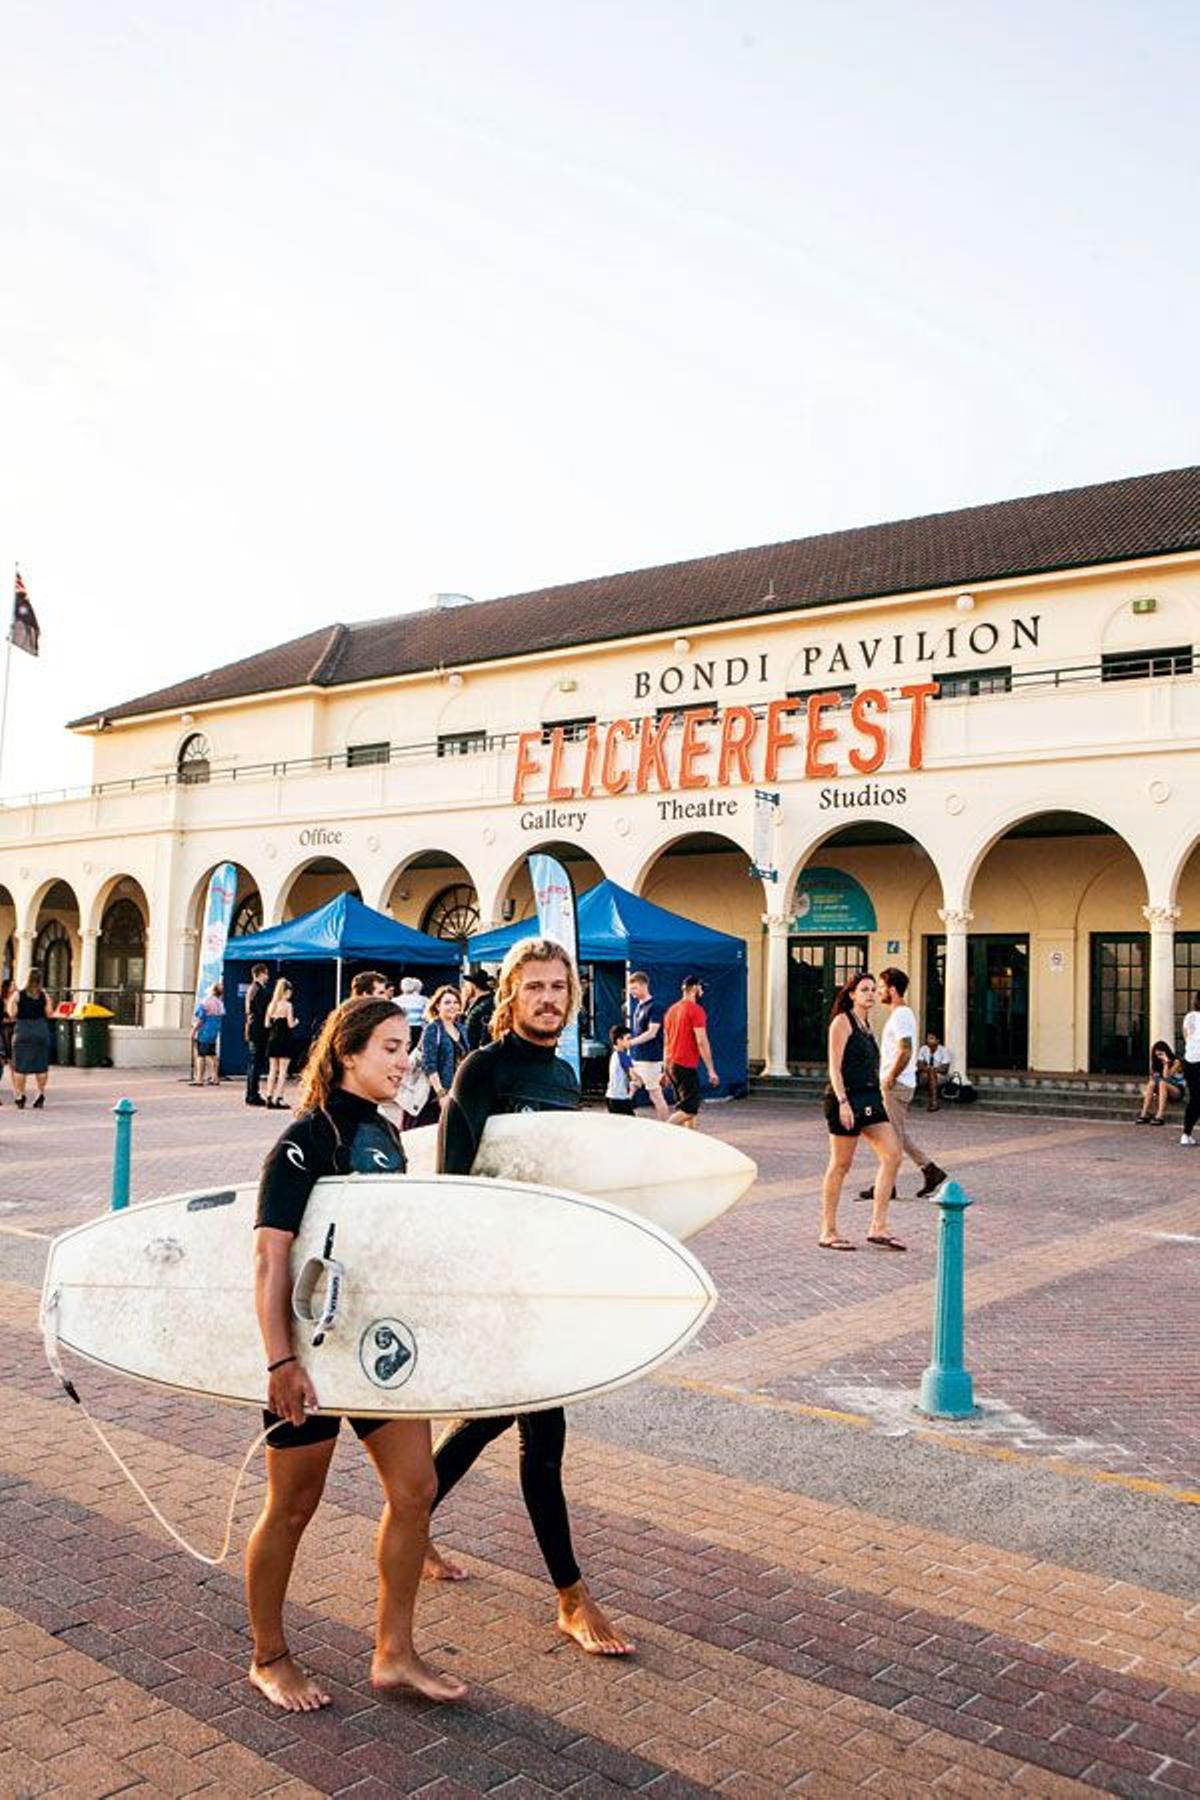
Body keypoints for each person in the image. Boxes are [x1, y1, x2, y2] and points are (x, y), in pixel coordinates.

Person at [247, 995, 467, 1713]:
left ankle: (393, 1654)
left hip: (375, 1353)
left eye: (408, 1048)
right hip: (310, 1357)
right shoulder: (305, 1138)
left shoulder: (386, 1134)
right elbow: (270, 1259)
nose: (406, 1061)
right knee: (292, 1507)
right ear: (348, 1053)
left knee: (416, 1489)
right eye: (391, 1048)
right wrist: (281, 1362)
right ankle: (269, 1656)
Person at [424, 937, 634, 1657]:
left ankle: (408, 1523)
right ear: (510, 995)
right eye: (535, 987)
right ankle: (572, 1597)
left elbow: (558, 1178)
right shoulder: (482, 1069)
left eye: (558, 987)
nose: (548, 998)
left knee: (488, 1422)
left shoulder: (566, 1075)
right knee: (543, 1438)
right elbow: (452, 1182)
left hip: (543, 1276)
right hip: (496, 1281)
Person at [821, 971, 903, 1251]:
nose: (870, 993)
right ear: (852, 994)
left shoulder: (867, 1025)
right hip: (845, 1098)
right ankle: (828, 1231)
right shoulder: (841, 1022)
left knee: (892, 1154)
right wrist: (843, 1102)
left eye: (872, 989)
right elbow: (834, 1066)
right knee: (841, 1165)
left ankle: (878, 1227)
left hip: (870, 1097)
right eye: (864, 989)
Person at [857, 969, 946, 1202]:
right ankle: (929, 1171)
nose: (878, 992)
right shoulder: (900, 1014)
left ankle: (888, 1185)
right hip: (896, 1083)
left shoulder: (901, 1016)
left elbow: (905, 1049)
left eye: (881, 987)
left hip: (895, 1085)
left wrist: (890, 1077)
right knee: (896, 1135)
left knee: (889, 1137)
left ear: (893, 990)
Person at [663, 975, 719, 1130]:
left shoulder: (671, 1010)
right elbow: (701, 1041)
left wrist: (665, 1068)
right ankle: (660, 1132)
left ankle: (691, 1141)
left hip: (673, 1064)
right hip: (684, 1065)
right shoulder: (696, 1010)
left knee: (689, 1108)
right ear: (695, 988)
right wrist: (711, 1070)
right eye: (701, 988)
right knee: (689, 1110)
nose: (702, 991)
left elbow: (666, 1042)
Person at [411, 984, 467, 1129]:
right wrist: (441, 1094)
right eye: (447, 1002)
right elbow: (429, 1064)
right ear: (437, 1006)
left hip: (458, 1090)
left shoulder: (461, 1029)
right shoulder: (432, 1029)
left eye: (456, 1002)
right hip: (437, 1094)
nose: (452, 1006)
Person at [626, 971, 670, 1120]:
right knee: (632, 1086)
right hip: (636, 1056)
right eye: (631, 989)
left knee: (655, 1095)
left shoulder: (656, 1007)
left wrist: (631, 1042)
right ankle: (623, 1116)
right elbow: (637, 1031)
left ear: (644, 986)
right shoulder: (638, 1006)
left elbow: (652, 1032)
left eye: (635, 988)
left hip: (650, 1058)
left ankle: (666, 1128)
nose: (632, 992)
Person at [8, 968, 53, 1109]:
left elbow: (12, 1013)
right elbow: (50, 1013)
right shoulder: (44, 995)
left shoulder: (18, 995)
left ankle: (20, 1096)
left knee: (20, 1067)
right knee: (41, 1066)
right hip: (40, 1031)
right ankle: (40, 1093)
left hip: (23, 1031)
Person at [263, 979, 297, 1109]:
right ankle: (279, 1098)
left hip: (273, 1038)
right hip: (284, 1038)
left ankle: (269, 1097)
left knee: (272, 1070)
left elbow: (267, 1024)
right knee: (283, 1071)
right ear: (287, 991)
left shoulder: (271, 1005)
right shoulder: (288, 1005)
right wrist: (296, 1022)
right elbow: (290, 1024)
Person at [1137, 1040, 1185, 1125]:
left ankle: (1160, 1116)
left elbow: (1167, 1078)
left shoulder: (1176, 1062)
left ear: (1166, 1052)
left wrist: (1166, 1063)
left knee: (1163, 1083)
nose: (1159, 1057)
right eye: (1157, 1055)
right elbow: (1155, 1077)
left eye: (1161, 1054)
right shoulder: (1157, 1063)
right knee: (1152, 1083)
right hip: (1162, 1088)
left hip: (1177, 1090)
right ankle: (1144, 1114)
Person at [244, 963, 271, 1106]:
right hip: (258, 1030)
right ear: (261, 973)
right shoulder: (258, 990)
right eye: (266, 973)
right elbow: (261, 1011)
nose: (268, 976)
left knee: (254, 1063)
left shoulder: (252, 989)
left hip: (253, 1029)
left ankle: (252, 1093)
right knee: (255, 1063)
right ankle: (252, 1094)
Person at [192, 980, 225, 1087]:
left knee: (201, 1056)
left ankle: (199, 1079)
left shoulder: (206, 1002)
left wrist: (194, 1030)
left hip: (204, 1032)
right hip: (214, 1033)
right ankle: (215, 1077)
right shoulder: (220, 1004)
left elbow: (200, 1018)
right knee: (212, 1055)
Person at [1180, 993, 1200, 1146]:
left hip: (1189, 1061)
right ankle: (1186, 1133)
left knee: (1195, 1098)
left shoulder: (1190, 1017)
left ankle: (1186, 1134)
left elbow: (1187, 1037)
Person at [461, 967, 496, 1052]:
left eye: (466, 985)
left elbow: (469, 1037)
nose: (464, 988)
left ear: (473, 986)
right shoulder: (491, 1001)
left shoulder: (480, 1008)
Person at [605, 1024, 637, 1116]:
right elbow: (633, 1076)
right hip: (620, 1099)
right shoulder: (623, 1056)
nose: (630, 1042)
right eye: (628, 1039)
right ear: (619, 1041)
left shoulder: (614, 1055)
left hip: (610, 1096)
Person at [916, 1031, 953, 1110]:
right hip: (925, 1076)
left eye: (932, 1038)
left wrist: (931, 1069)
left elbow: (944, 1069)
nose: (928, 1040)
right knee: (930, 1072)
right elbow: (919, 1065)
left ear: (937, 1040)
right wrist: (929, 1069)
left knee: (932, 1072)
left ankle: (934, 1102)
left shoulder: (944, 1050)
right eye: (928, 1038)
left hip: (941, 1077)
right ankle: (934, 1103)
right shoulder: (923, 1049)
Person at [0, 976, 15, 1101]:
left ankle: (16, 1086)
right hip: (2, 1033)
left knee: (12, 1062)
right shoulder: (1, 1001)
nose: (15, 987)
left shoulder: (16, 1000)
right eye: (12, 986)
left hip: (12, 1033)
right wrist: (10, 1019)